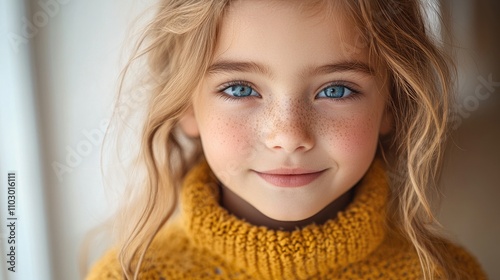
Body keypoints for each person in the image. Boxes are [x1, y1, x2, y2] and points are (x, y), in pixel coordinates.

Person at [86, 0, 486, 279]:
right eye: (241, 89)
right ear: (185, 106)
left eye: (336, 90)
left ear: (391, 106)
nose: (289, 137)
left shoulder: (444, 272)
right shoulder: (132, 274)